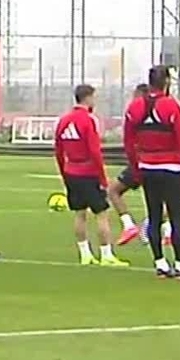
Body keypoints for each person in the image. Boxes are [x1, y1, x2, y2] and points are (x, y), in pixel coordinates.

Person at [129, 65, 180, 279]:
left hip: (147, 167)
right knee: (177, 218)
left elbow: (128, 142)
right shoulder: (171, 106)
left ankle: (160, 263)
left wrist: (136, 169)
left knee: (154, 216)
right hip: (172, 168)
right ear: (166, 82)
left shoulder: (135, 106)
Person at [55, 84, 127, 267]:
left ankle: (85, 254)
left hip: (72, 171)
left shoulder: (64, 120)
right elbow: (95, 151)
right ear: (87, 98)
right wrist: (102, 178)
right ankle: (106, 255)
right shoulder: (88, 120)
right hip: (88, 172)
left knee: (79, 214)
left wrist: (64, 173)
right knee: (101, 213)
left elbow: (58, 150)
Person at [108, 84, 149, 247]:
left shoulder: (135, 112)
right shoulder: (158, 111)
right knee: (158, 199)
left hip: (140, 161)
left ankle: (130, 225)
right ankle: (149, 228)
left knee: (113, 190)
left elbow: (129, 140)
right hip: (157, 161)